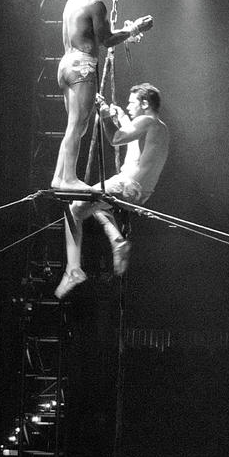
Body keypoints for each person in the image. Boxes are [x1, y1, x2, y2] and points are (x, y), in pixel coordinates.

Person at [54, 83, 169, 299]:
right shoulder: (160, 128)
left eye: (132, 103)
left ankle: (74, 269)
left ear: (145, 104)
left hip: (127, 185)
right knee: (97, 206)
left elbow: (116, 139)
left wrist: (105, 114)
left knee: (74, 209)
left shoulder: (147, 121)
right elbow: (135, 150)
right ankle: (117, 241)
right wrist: (122, 117)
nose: (129, 106)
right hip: (141, 193)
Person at [50, 0, 153, 191]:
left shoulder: (71, 2)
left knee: (75, 126)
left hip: (66, 65)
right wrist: (135, 28)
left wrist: (126, 32)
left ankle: (59, 176)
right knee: (77, 124)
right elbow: (107, 40)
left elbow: (96, 34)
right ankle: (68, 178)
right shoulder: (96, 5)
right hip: (82, 67)